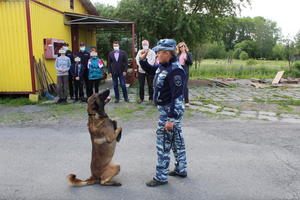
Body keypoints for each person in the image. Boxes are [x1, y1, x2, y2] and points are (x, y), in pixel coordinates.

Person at [138, 39, 187, 187]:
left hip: (170, 112)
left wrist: (171, 119)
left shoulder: (175, 70)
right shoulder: (163, 65)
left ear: (168, 53)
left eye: (159, 52)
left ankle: (161, 176)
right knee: (177, 140)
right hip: (166, 110)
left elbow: (177, 98)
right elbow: (152, 70)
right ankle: (181, 169)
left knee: (163, 143)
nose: (157, 55)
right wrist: (142, 60)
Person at [176, 42, 193, 107]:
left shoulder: (188, 54)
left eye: (183, 46)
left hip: (185, 71)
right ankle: (179, 100)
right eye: (180, 47)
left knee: (184, 86)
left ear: (185, 47)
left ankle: (186, 101)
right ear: (179, 48)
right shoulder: (178, 55)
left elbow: (190, 63)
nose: (182, 47)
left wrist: (186, 59)